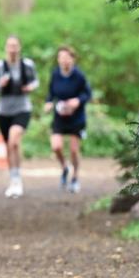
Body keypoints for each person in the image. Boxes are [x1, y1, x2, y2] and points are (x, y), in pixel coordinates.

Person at [0, 35, 38, 197]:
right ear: (6, 48)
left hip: (22, 109)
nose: (13, 49)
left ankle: (17, 179)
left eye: (15, 46)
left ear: (19, 48)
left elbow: (36, 82)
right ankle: (13, 178)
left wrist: (30, 87)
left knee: (14, 141)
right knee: (9, 146)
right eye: (10, 46)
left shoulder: (27, 65)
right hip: (4, 111)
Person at [43, 45, 92, 194]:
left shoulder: (79, 76)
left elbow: (87, 94)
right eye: (61, 58)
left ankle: (75, 177)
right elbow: (51, 93)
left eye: (67, 57)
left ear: (73, 59)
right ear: (58, 60)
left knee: (73, 150)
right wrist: (49, 103)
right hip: (59, 116)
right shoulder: (55, 74)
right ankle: (65, 167)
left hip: (76, 117)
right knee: (56, 147)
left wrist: (77, 101)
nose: (64, 61)